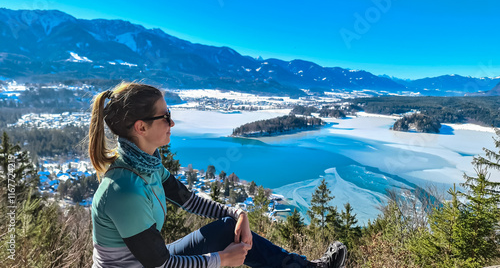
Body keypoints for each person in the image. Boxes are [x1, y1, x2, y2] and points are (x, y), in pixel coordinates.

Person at [89, 82, 347, 268]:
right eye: (165, 117)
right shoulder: (124, 190)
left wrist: (236, 213)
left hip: (152, 261)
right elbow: (160, 264)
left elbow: (188, 200)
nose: (172, 123)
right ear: (141, 127)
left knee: (226, 229)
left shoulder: (148, 165)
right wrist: (222, 260)